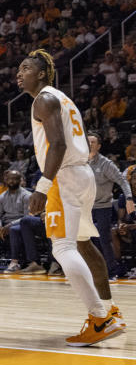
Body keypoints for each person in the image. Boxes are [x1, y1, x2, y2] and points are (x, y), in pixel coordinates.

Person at [18, 49, 125, 345]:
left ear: (41, 74)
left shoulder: (45, 99)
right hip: (82, 175)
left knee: (62, 249)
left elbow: (58, 144)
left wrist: (42, 186)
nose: (19, 74)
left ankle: (99, 319)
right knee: (83, 245)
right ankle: (112, 311)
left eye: (25, 68)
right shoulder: (63, 99)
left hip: (64, 177)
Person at [87, 131, 134, 279]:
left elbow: (122, 181)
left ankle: (112, 271)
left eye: (92, 142)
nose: (89, 144)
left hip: (102, 206)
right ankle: (87, 270)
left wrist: (128, 198)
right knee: (81, 239)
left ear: (99, 146)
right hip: (84, 207)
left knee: (104, 239)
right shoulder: (79, 162)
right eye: (87, 142)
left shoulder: (106, 164)